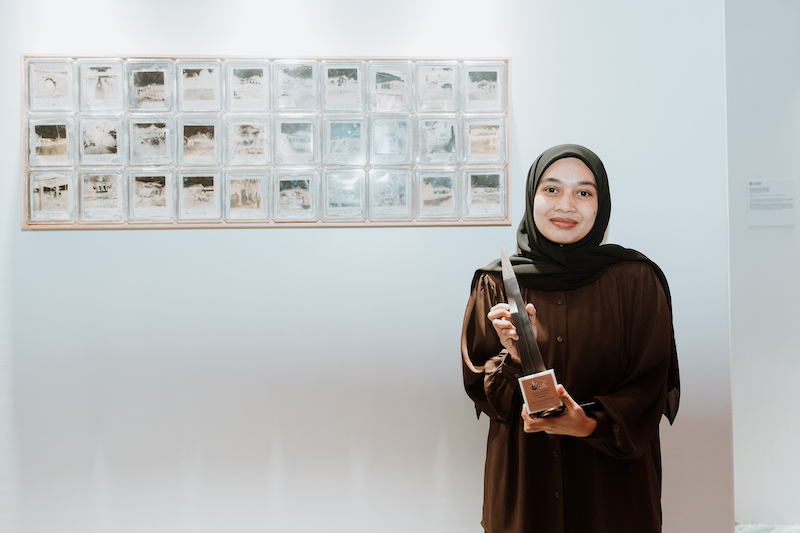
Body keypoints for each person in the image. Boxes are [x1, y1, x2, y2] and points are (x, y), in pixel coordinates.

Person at [460, 144, 680, 533]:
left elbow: (650, 385)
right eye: (551, 189)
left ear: (600, 206)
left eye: (583, 192)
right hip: (526, 485)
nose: (566, 205)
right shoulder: (495, 284)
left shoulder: (637, 280)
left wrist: (588, 424)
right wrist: (514, 358)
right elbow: (485, 393)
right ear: (532, 198)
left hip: (611, 490)